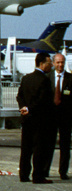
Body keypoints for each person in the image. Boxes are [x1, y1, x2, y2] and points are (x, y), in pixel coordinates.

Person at [16, 52, 58, 183]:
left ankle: (23, 174)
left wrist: (24, 107)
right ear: (42, 64)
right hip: (39, 120)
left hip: (26, 119)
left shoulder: (26, 78)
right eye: (49, 63)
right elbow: (42, 101)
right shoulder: (44, 80)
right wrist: (30, 109)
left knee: (26, 148)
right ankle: (38, 175)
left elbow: (20, 96)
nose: (51, 65)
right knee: (39, 148)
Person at [54, 53, 72, 181]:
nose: (60, 65)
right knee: (47, 144)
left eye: (62, 63)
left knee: (65, 146)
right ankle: (44, 169)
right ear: (54, 63)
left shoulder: (70, 78)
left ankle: (63, 171)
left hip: (66, 117)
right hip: (51, 117)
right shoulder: (48, 77)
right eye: (58, 62)